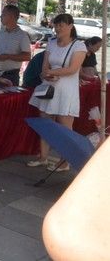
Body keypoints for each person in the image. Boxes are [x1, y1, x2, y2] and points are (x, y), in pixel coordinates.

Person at [27, 13, 86, 172]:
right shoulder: (52, 43)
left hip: (66, 91)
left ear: (70, 26)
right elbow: (45, 65)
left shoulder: (79, 46)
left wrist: (53, 73)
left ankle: (65, 162)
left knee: (65, 129)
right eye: (56, 25)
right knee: (45, 124)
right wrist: (46, 74)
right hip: (48, 87)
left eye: (61, 25)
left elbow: (73, 69)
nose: (58, 28)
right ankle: (43, 157)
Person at [0, 5, 31, 86]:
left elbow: (27, 56)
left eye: (4, 14)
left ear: (12, 16)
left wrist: (8, 56)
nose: (1, 16)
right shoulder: (1, 32)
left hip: (10, 75)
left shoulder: (22, 35)